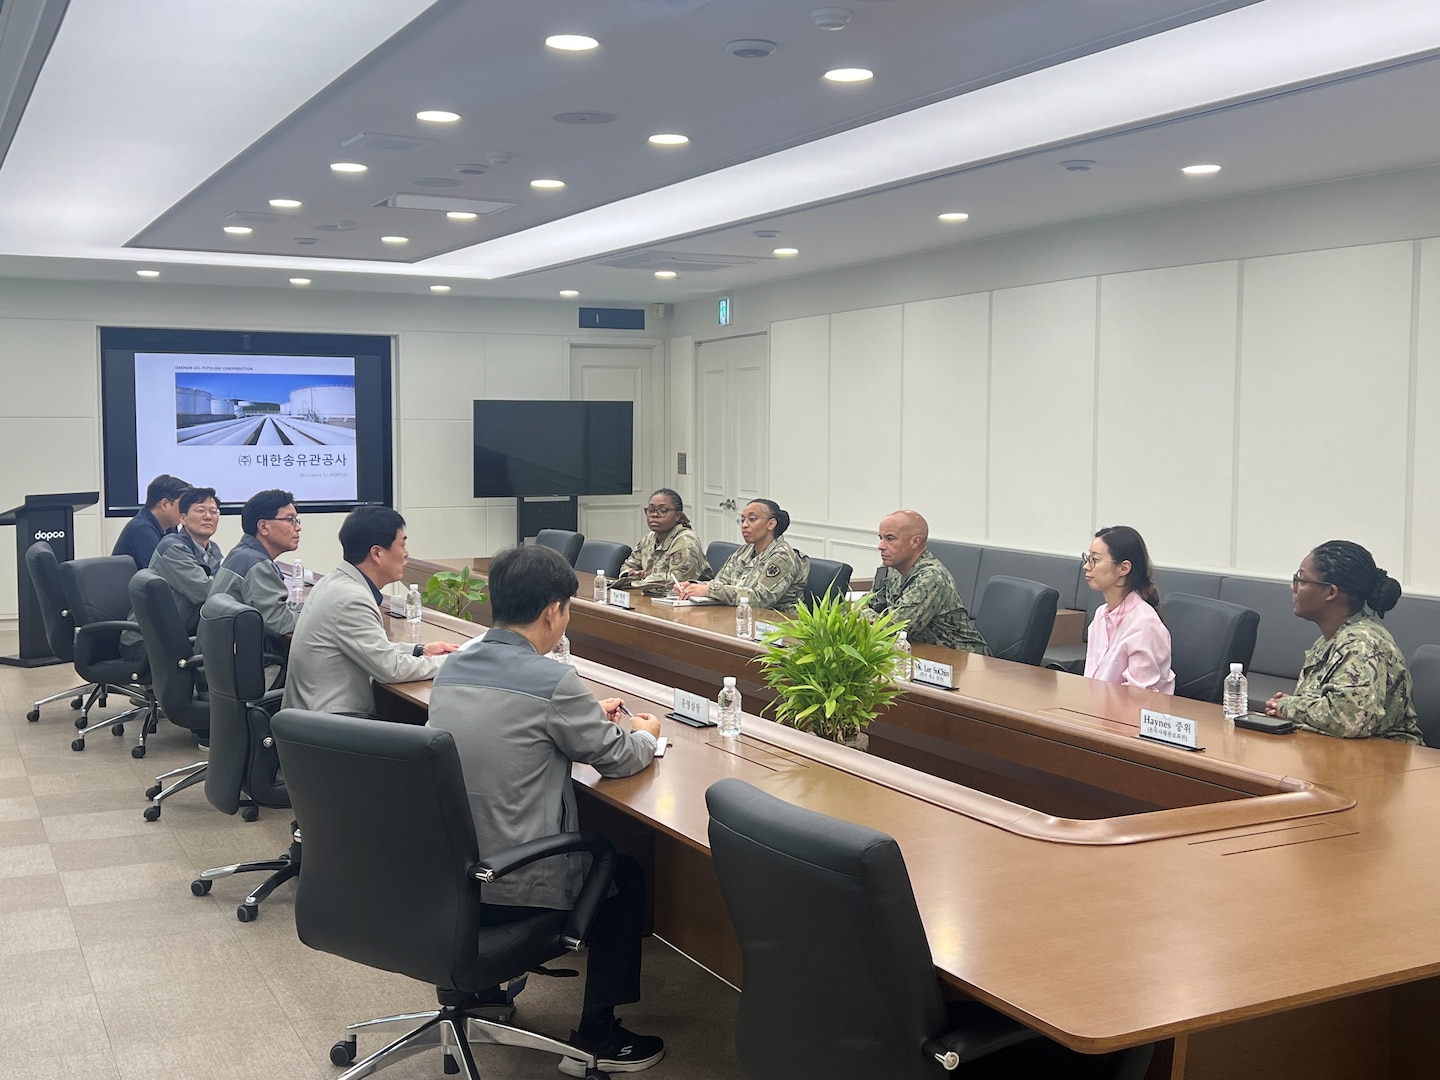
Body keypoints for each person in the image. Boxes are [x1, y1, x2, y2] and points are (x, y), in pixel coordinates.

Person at [427, 544, 665, 1076]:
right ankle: (599, 1033)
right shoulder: (552, 681)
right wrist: (647, 734)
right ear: (553, 610)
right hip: (517, 883)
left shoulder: (453, 668)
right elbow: (619, 758)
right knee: (622, 871)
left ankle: (483, 993)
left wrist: (579, 713)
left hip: (449, 880)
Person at [282, 505, 458, 718]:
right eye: (402, 544)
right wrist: (452, 662)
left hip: (311, 718)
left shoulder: (334, 582)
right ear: (377, 553)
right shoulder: (351, 598)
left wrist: (419, 650)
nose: (406, 554)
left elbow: (371, 648)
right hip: (331, 725)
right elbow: (390, 669)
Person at [1264, 540, 1421, 742]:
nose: (1292, 587)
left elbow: (1347, 719)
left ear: (1330, 592)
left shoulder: (1362, 643)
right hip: (1337, 754)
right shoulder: (1331, 640)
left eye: (1301, 580)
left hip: (1384, 761)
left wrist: (1287, 706)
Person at [120, 485, 223, 662]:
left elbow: (221, 585)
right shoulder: (174, 548)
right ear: (182, 518)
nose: (208, 516)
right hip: (147, 641)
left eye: (214, 511)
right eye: (201, 511)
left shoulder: (212, 549)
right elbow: (206, 592)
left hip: (180, 634)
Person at [866, 510, 988, 653]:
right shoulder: (889, 569)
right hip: (919, 654)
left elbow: (893, 628)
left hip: (960, 657)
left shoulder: (931, 576)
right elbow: (873, 605)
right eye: (881, 538)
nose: (880, 546)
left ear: (915, 542)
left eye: (890, 538)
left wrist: (861, 614)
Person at [209, 489, 302, 675]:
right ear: (264, 527)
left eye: (297, 520)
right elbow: (281, 623)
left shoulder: (241, 554)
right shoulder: (257, 564)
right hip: (240, 672)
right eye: (290, 520)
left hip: (220, 666)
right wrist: (319, 615)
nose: (298, 527)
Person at [673, 498, 808, 614]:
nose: (744, 525)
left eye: (752, 519)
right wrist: (692, 587)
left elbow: (760, 599)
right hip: (741, 616)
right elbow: (721, 582)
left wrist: (709, 590)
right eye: (742, 520)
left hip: (779, 626)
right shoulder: (744, 550)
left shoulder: (783, 557)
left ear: (771, 524)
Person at [1082, 525, 1175, 694]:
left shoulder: (1144, 624)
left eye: (1095, 559)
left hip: (1130, 716)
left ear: (1124, 568)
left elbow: (1138, 696)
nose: (1087, 566)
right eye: (1087, 558)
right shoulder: (1101, 614)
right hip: (1097, 712)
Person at [613, 488, 710, 590]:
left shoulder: (686, 541)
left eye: (663, 511)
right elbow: (629, 565)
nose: (655, 515)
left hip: (687, 600)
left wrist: (644, 578)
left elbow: (676, 580)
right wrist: (631, 574)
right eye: (651, 510)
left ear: (677, 515)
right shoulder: (649, 538)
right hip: (654, 596)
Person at [112, 473, 187, 570]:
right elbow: (160, 572)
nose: (185, 510)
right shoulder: (142, 530)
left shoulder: (170, 526)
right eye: (183, 505)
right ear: (164, 504)